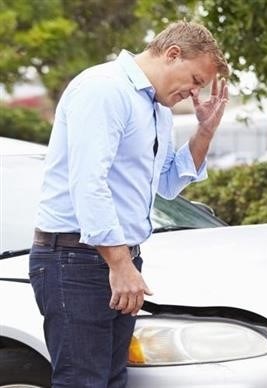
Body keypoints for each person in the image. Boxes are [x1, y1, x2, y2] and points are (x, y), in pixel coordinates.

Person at [28, 20, 229, 387]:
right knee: (84, 382)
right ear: (172, 54)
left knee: (114, 380)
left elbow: (167, 184)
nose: (194, 92)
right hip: (75, 259)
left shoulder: (158, 111)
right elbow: (89, 184)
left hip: (114, 257)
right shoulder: (104, 90)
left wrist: (204, 132)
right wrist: (120, 264)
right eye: (197, 80)